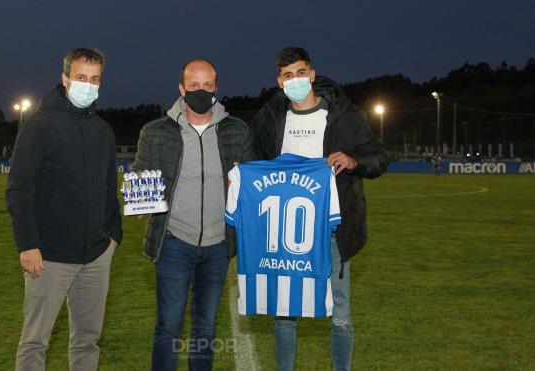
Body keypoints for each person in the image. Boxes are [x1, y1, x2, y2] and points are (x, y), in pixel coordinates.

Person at [251, 47, 388, 371]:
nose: (295, 80)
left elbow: (379, 157)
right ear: (279, 81)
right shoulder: (271, 119)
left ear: (312, 75)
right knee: (285, 312)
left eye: (300, 73)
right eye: (287, 75)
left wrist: (354, 161)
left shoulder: (344, 115)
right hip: (286, 232)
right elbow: (254, 160)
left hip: (332, 229)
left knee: (339, 314)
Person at [132, 58, 254, 371]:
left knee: (206, 328)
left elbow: (252, 182)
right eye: (194, 85)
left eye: (208, 85)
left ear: (216, 88)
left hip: (218, 244)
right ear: (181, 88)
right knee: (168, 327)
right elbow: (140, 174)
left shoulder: (237, 130)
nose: (201, 90)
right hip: (173, 241)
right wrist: (138, 198)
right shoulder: (156, 131)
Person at [6, 48, 122, 371]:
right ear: (65, 78)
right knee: (35, 342)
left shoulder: (103, 131)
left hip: (96, 254)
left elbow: (109, 189)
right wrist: (27, 243)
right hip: (49, 255)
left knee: (87, 340)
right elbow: (19, 188)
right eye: (82, 77)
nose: (88, 84)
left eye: (95, 79)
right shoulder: (40, 124)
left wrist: (113, 237)